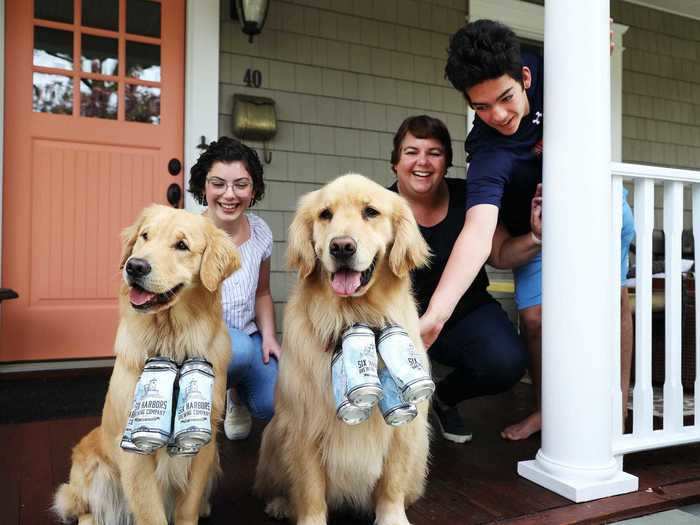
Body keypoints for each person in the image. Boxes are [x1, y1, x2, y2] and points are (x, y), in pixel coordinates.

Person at [418, 19, 634, 440]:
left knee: (612, 297)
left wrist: (595, 44)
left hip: (594, 206)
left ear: (526, 78)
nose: (498, 115)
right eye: (481, 107)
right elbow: (478, 233)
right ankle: (545, 409)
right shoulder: (486, 151)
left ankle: (618, 402)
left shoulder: (555, 71)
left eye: (505, 98)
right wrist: (435, 315)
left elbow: (589, 60)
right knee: (534, 319)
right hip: (536, 229)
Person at [388, 115, 531, 443]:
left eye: (434, 153)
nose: (422, 161)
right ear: (395, 162)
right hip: (400, 323)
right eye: (412, 152)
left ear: (447, 162)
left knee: (507, 362)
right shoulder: (378, 208)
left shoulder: (468, 197)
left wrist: (535, 237)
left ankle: (444, 397)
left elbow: (500, 254)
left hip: (466, 313)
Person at [188, 136, 282, 440]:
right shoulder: (186, 233)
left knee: (274, 400)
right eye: (219, 183)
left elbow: (262, 293)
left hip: (247, 334)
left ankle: (237, 397)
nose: (230, 194)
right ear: (204, 186)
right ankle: (196, 406)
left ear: (253, 190)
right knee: (237, 349)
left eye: (240, 184)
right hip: (199, 339)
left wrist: (269, 337)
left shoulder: (261, 232)